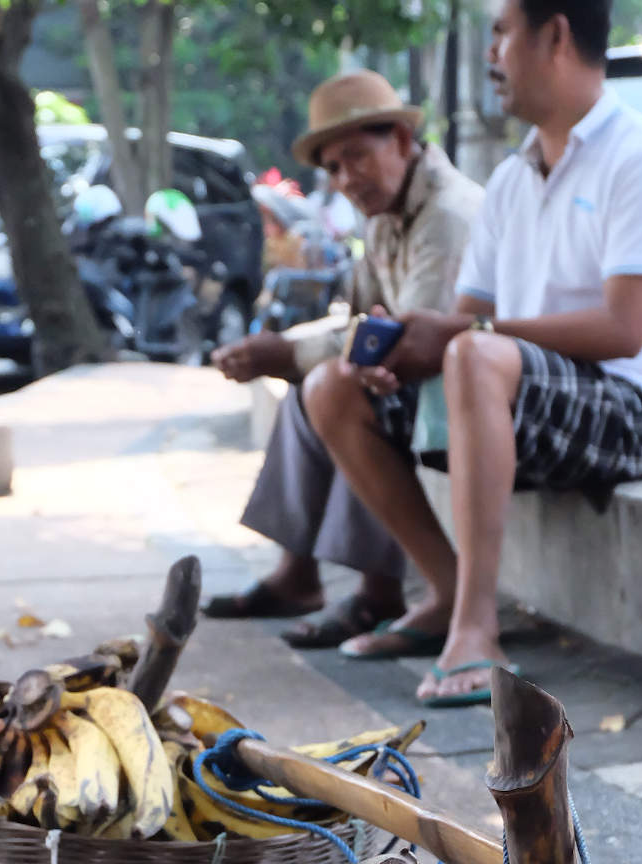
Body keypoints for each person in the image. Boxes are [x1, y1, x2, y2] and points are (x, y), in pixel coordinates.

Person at [304, 0, 642, 703]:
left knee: (475, 356)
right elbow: (466, 321)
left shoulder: (641, 154)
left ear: (556, 35)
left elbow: (625, 328)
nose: (492, 55)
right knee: (332, 387)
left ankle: (478, 631)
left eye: (500, 34)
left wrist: (464, 340)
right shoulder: (512, 180)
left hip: (628, 410)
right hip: (518, 398)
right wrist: (399, 352)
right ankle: (449, 595)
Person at [203, 71, 484, 650]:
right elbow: (362, 321)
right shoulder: (385, 215)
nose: (345, 180)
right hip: (420, 373)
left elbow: (401, 338)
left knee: (333, 385)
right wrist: (289, 353)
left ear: (402, 142)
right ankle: (298, 574)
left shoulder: (449, 214)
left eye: (356, 157)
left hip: (464, 382)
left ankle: (441, 590)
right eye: (332, 168)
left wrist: (291, 351)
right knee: (315, 383)